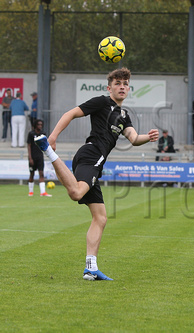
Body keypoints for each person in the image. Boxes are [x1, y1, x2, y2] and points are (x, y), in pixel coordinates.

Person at [34, 68, 159, 281]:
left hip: (96, 161)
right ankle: (48, 150)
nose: (122, 86)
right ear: (109, 87)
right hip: (92, 154)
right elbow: (71, 113)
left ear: (129, 88)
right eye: (118, 83)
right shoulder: (102, 102)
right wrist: (53, 136)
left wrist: (148, 137)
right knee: (76, 192)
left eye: (125, 83)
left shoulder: (124, 115)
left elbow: (134, 138)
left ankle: (91, 268)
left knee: (100, 217)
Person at [27, 119, 51, 197]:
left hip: (40, 156)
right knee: (32, 174)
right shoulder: (31, 134)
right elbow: (29, 145)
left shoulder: (43, 134)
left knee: (41, 173)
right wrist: (30, 157)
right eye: (38, 124)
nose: (40, 126)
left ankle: (43, 192)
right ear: (35, 125)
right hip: (32, 157)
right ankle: (31, 192)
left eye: (41, 125)